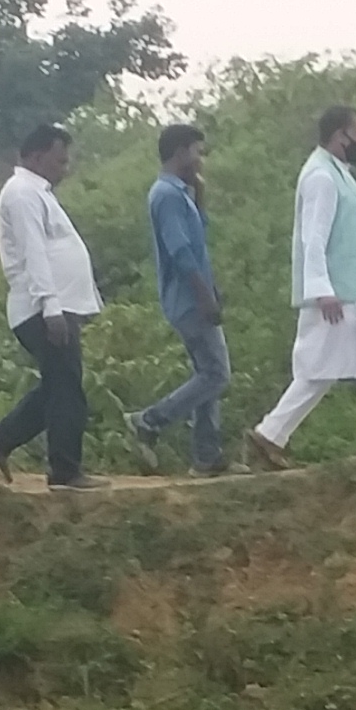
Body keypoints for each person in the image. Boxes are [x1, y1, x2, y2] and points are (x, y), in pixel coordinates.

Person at [254, 105, 356, 465]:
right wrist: (321, 289)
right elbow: (314, 237)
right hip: (343, 293)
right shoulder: (321, 177)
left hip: (354, 291)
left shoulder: (335, 172)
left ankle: (270, 434)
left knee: (327, 368)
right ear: (340, 135)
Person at [0, 122, 102, 489]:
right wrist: (51, 306)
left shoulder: (38, 193)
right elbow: (34, 251)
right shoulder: (22, 193)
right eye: (58, 161)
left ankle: (0, 439)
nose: (64, 168)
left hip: (54, 307)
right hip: (42, 308)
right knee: (67, 389)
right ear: (36, 157)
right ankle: (65, 470)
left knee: (57, 385)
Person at [129, 122, 231, 473]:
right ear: (180, 152)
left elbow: (198, 236)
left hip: (194, 296)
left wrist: (199, 194)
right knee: (217, 373)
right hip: (188, 300)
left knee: (206, 374)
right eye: (197, 152)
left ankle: (206, 457)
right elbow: (181, 252)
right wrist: (205, 297)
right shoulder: (166, 196)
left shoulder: (180, 193)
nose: (201, 159)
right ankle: (150, 420)